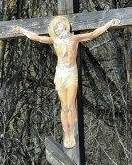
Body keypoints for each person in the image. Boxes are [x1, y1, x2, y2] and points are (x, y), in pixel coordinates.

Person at [13, 16, 120, 148]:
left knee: (70, 104)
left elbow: (92, 35)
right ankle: (67, 134)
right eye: (56, 28)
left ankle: (71, 132)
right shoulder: (55, 40)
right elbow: (36, 37)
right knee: (64, 106)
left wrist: (108, 24)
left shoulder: (74, 39)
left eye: (60, 26)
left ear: (65, 26)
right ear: (55, 31)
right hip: (60, 74)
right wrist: (22, 30)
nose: (59, 29)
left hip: (71, 73)